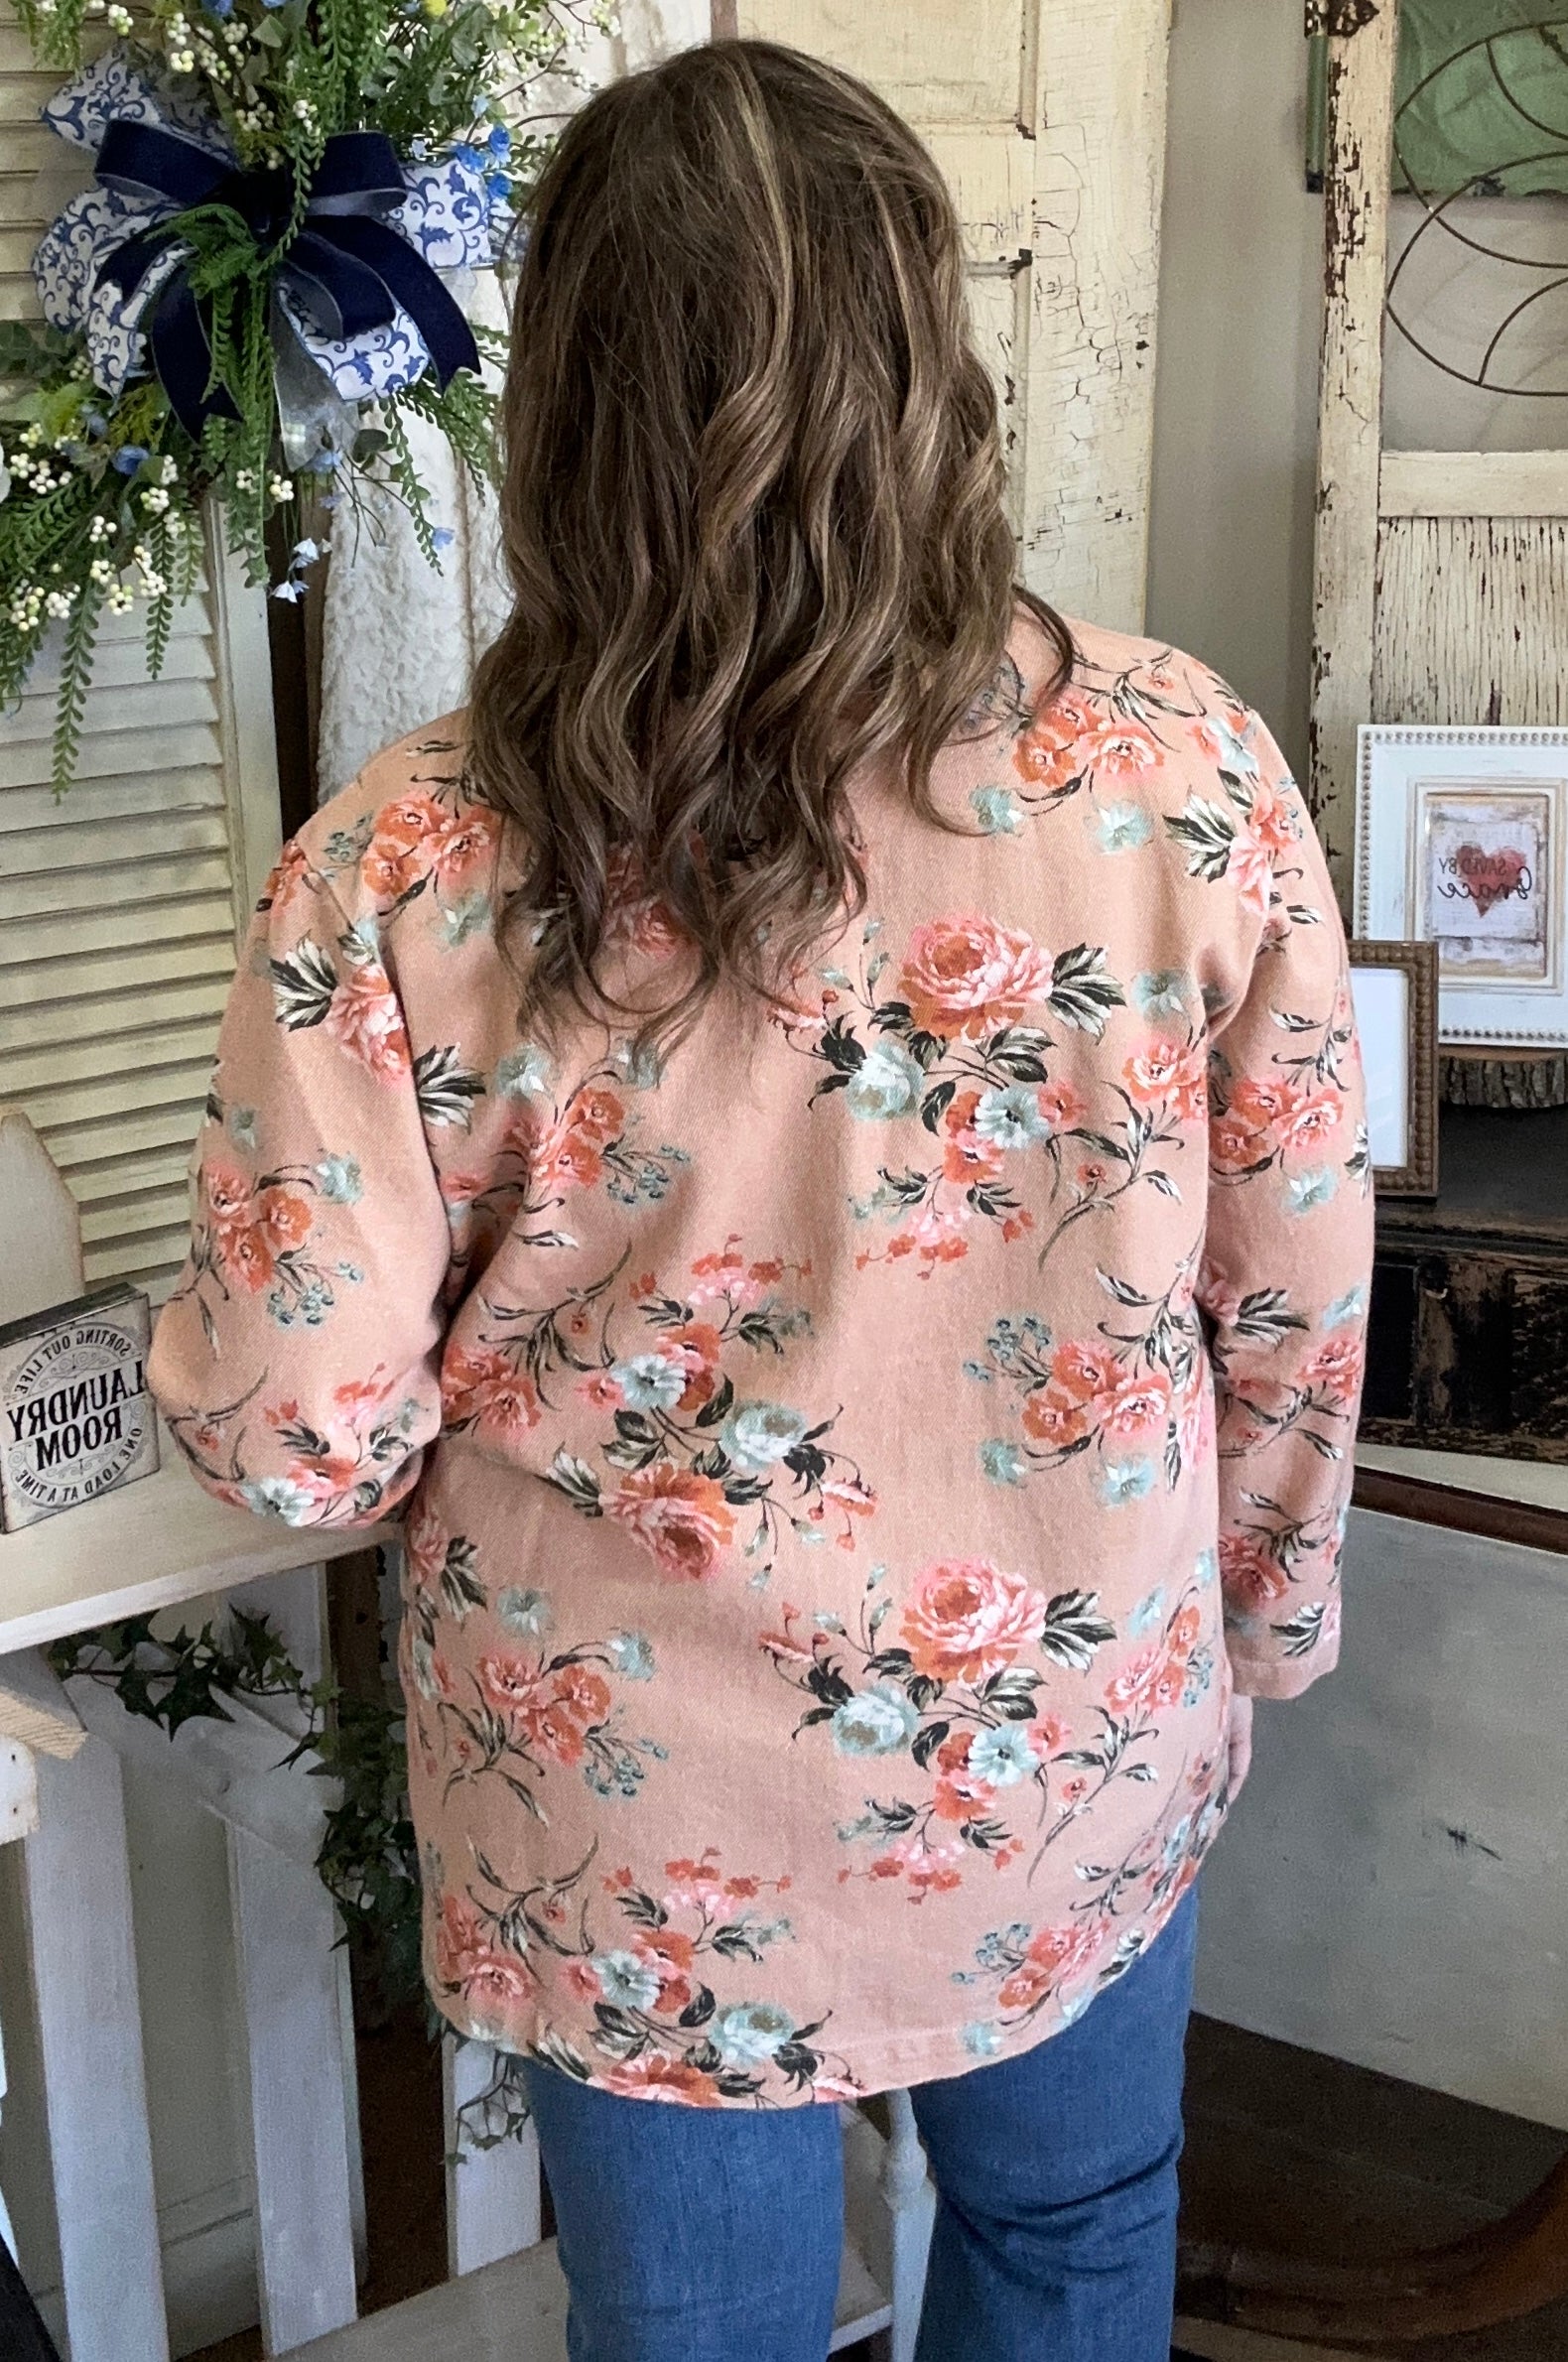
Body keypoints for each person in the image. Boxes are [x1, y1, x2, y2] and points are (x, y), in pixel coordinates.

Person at [150, 37, 1374, 2362]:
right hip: (1060, 1735)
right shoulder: (1183, 774)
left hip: (642, 1821)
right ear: (931, 368)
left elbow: (300, 1437)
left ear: (563, 408)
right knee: (1074, 2230)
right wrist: (1267, 1608)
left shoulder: (402, 869)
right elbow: (1293, 1285)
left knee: (694, 2331)